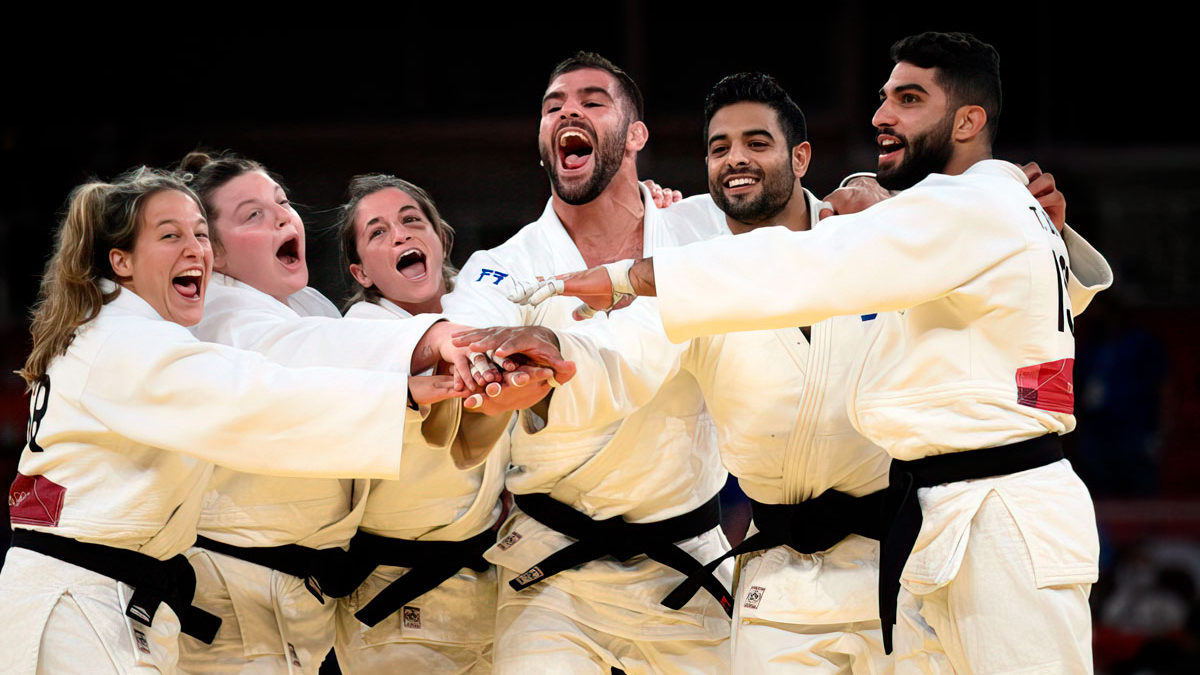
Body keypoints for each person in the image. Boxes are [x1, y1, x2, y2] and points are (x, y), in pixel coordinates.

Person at [515, 32, 1114, 674]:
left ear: (802, 157)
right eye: (718, 147)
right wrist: (551, 362)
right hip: (836, 560)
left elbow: (811, 265)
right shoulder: (933, 222)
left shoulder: (893, 230)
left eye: (909, 99)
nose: (882, 115)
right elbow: (625, 351)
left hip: (949, 526)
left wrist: (627, 275)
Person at [0, 169, 456, 674]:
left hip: (109, 592)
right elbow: (250, 399)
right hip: (81, 597)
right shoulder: (126, 340)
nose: (195, 248)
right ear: (121, 260)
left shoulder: (124, 328)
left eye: (199, 233)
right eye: (170, 235)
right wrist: (400, 395)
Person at [173, 152, 552, 674]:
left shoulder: (309, 305)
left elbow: (546, 269)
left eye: (281, 203)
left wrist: (647, 215)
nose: (283, 217)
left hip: (316, 596)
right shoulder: (228, 314)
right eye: (253, 215)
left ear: (444, 240)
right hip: (255, 585)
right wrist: (437, 348)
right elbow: (328, 350)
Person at [440, 52, 734, 673]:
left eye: (592, 101)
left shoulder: (702, 232)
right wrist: (500, 397)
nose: (568, 110)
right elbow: (468, 407)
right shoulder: (501, 267)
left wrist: (852, 191)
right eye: (554, 106)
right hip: (551, 576)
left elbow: (804, 234)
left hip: (690, 563)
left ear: (635, 137)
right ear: (544, 142)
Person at [331, 174, 544, 673]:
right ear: (361, 272)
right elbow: (454, 437)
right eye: (378, 232)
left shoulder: (481, 308)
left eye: (411, 221)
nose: (401, 235)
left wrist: (646, 210)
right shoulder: (359, 335)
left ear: (440, 239)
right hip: (391, 593)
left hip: (487, 585)